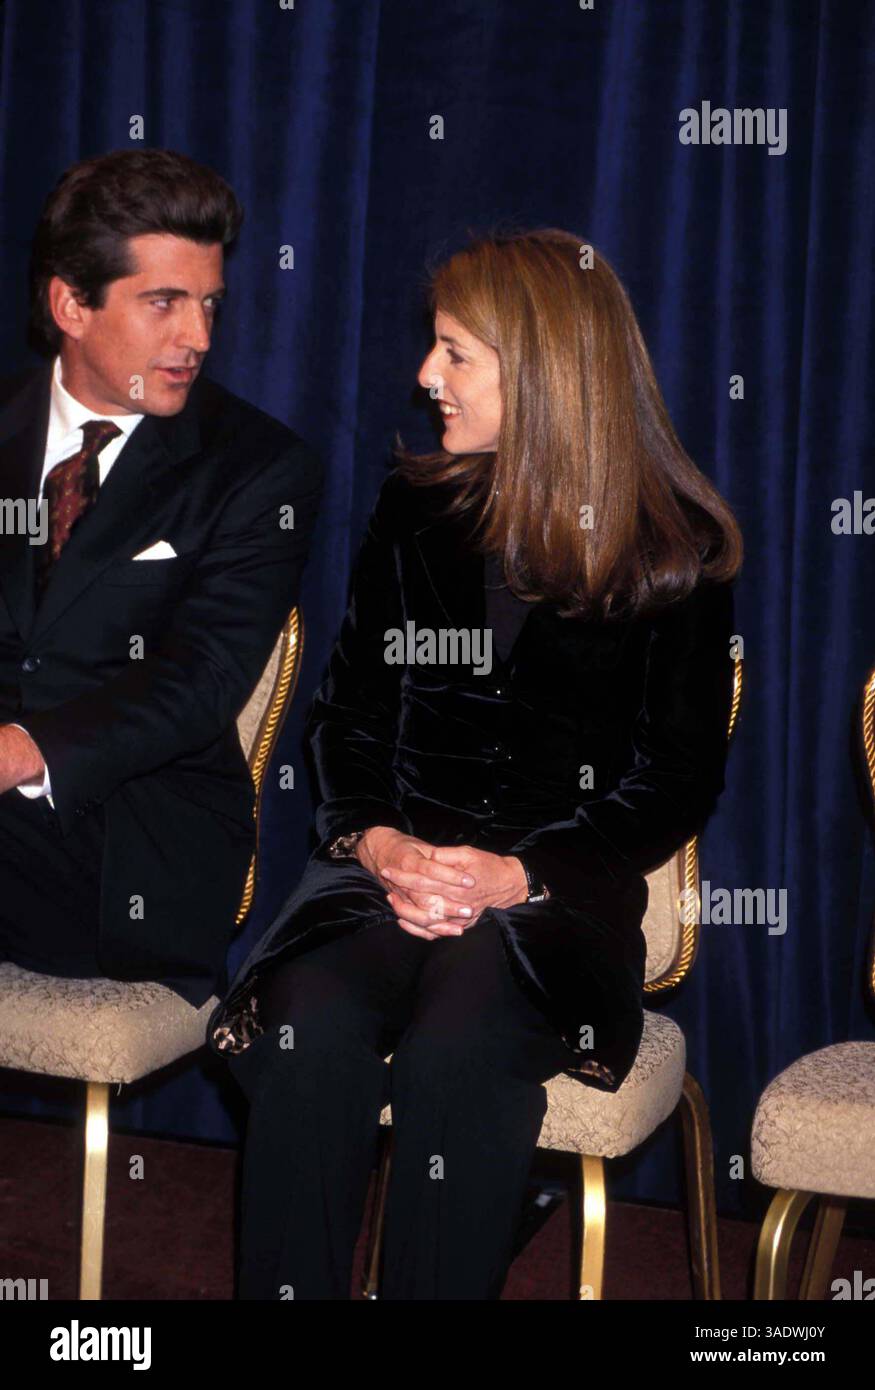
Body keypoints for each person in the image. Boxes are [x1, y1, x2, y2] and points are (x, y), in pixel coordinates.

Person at [208, 227, 743, 1300]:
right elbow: (345, 716)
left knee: (460, 1045)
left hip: (552, 901)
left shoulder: (669, 546)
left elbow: (677, 777)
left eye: (455, 352)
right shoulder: (416, 511)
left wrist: (517, 875)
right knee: (304, 1023)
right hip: (379, 877)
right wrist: (380, 839)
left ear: (542, 369)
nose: (423, 375)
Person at [0, 148, 322, 1007]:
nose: (200, 338)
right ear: (70, 303)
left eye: (208, 303)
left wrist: (20, 751)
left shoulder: (258, 469)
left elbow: (200, 681)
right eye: (164, 303)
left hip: (136, 846)